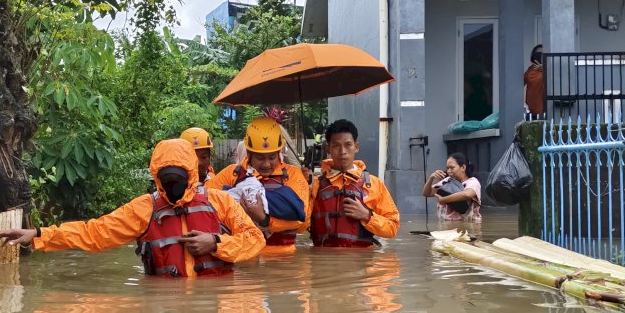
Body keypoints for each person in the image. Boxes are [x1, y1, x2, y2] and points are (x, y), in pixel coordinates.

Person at [0, 139, 266, 277]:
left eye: (179, 179)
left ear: (192, 174)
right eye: (167, 180)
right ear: (156, 177)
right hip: (164, 306)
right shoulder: (145, 209)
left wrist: (216, 243)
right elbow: (95, 233)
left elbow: (254, 240)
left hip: (214, 304)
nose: (173, 187)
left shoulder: (220, 201)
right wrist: (39, 235)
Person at [207, 116, 310, 253]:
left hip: (284, 257)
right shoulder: (231, 174)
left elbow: (303, 222)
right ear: (249, 154)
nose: (266, 164)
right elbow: (206, 204)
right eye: (260, 158)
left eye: (272, 157)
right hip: (243, 254)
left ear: (279, 152)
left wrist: (264, 219)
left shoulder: (293, 175)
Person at [309, 119, 400, 247]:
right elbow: (300, 225)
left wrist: (367, 216)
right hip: (323, 257)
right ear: (328, 148)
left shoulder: (374, 184)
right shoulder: (315, 185)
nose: (342, 151)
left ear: (356, 147)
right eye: (336, 145)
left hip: (362, 258)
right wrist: (302, 187)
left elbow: (392, 228)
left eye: (348, 145)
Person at [422, 152, 482, 222]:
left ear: (463, 167)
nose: (448, 171)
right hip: (446, 225)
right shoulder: (447, 181)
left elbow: (467, 194)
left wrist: (444, 200)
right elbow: (427, 193)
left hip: (467, 226)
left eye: (452, 168)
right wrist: (431, 178)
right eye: (447, 168)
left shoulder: (473, 182)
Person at [524, 43, 545, 117]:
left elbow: (553, 79)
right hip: (530, 109)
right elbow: (520, 83)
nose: (540, 56)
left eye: (542, 54)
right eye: (537, 54)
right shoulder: (530, 69)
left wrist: (543, 68)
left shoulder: (548, 68)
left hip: (543, 109)